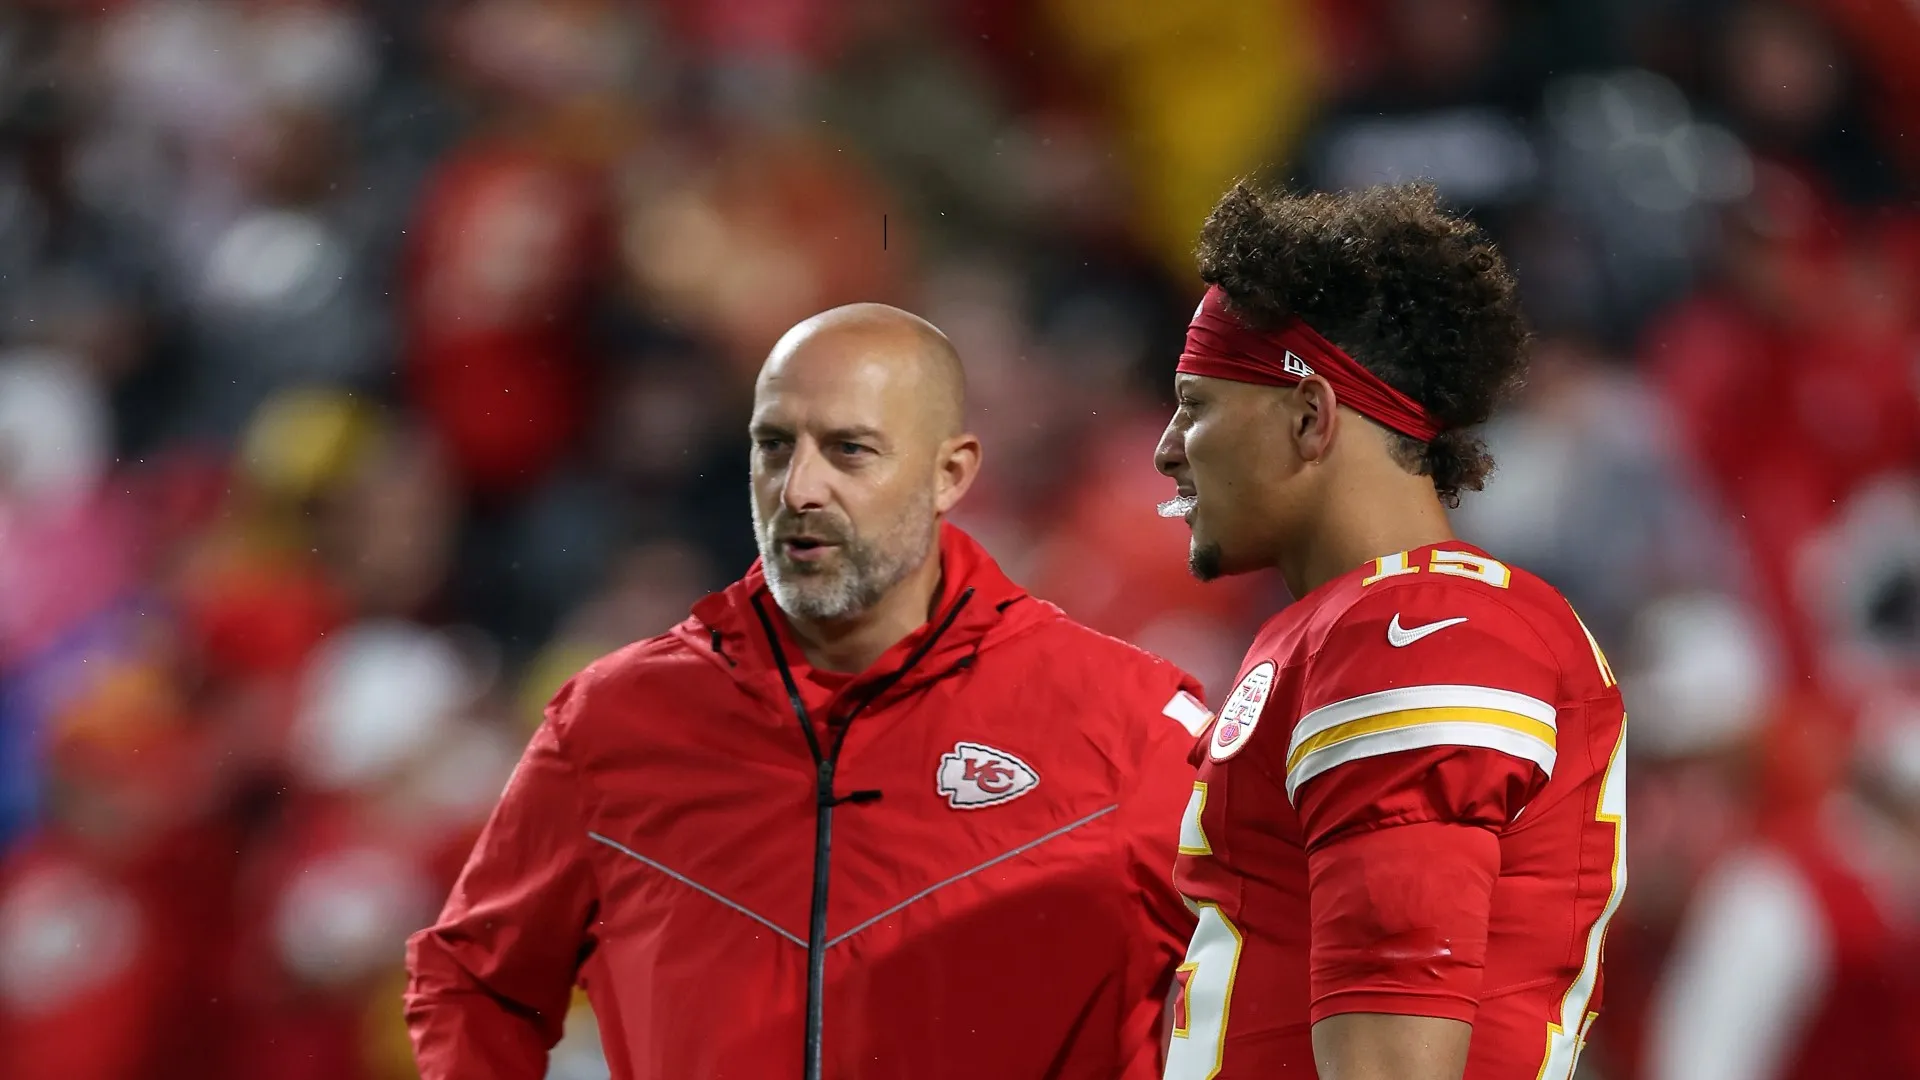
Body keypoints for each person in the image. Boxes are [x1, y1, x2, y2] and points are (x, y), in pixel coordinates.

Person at [404, 303, 1214, 1080]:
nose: (799, 489)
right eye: (773, 446)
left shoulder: (1127, 723)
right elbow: (476, 979)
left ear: (950, 473)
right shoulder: (614, 724)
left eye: (850, 450)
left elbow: (1275, 963)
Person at [1151, 182, 1628, 1080]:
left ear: (1309, 417)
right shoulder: (1350, 623)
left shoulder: (1416, 626)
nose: (1168, 447)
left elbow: (1392, 1067)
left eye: (1197, 404)